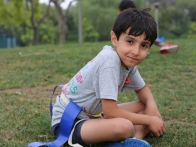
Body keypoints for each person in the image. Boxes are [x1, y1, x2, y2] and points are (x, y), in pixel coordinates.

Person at [51, 8, 166, 147]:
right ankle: (126, 137)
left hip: (93, 116)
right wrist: (149, 120)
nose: (135, 51)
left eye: (144, 45)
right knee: (125, 127)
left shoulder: (128, 63)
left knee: (145, 104)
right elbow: (110, 112)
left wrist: (152, 108)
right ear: (114, 39)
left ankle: (136, 139)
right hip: (70, 121)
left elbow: (143, 89)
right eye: (130, 41)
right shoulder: (110, 61)